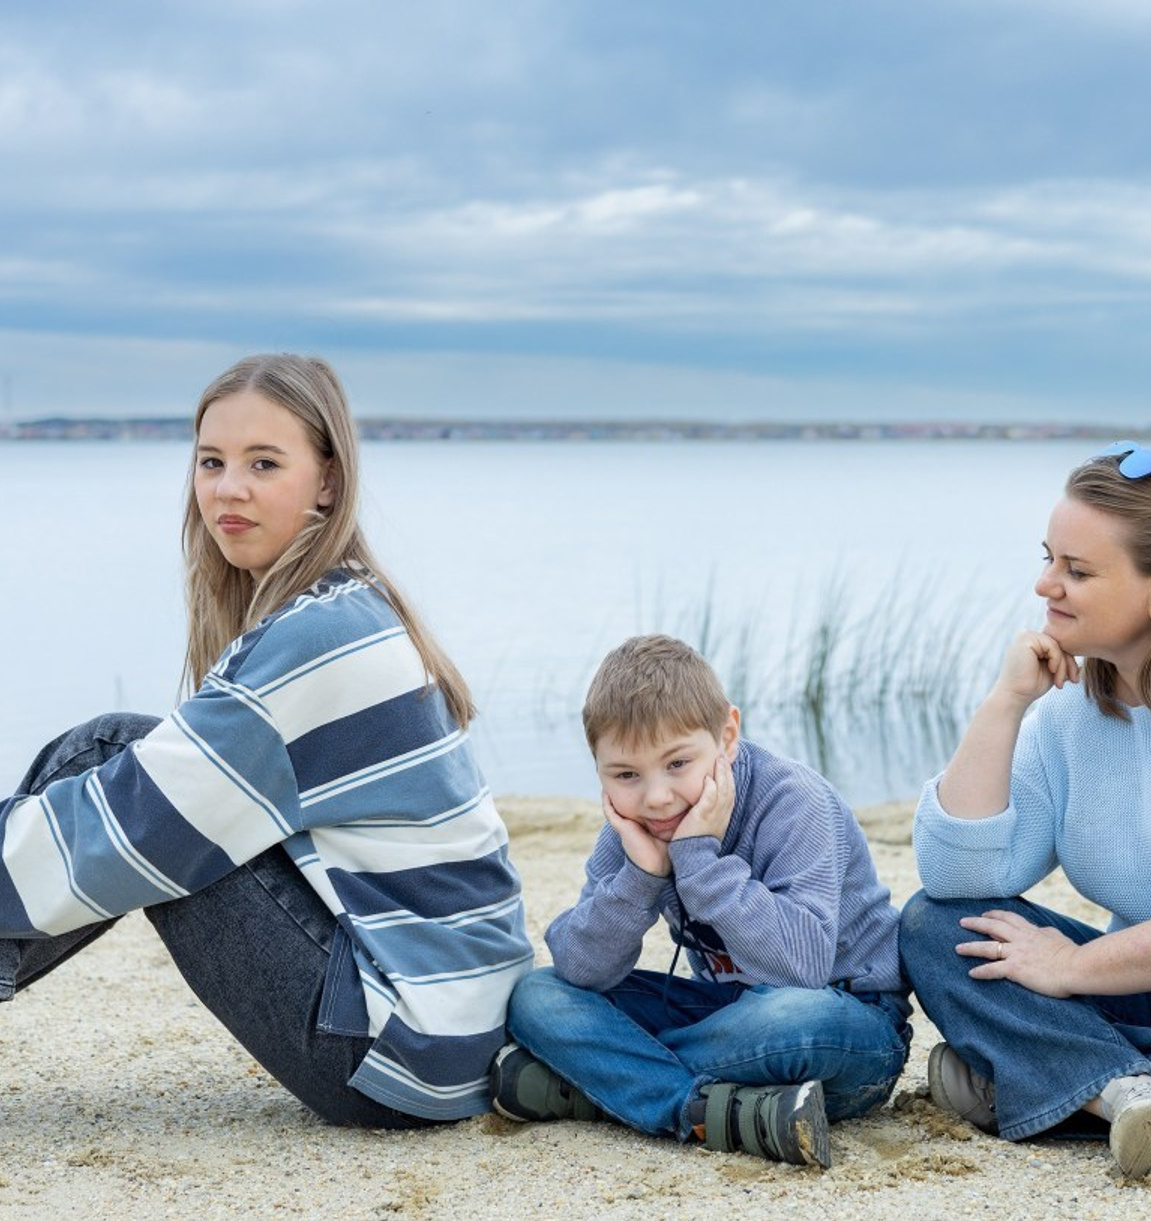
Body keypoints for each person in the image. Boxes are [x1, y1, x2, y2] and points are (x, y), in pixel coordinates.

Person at [0, 353, 531, 1125]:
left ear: (326, 481)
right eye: (211, 462)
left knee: (111, 760)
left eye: (263, 463)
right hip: (456, 1037)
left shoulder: (321, 637)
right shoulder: (348, 606)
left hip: (403, 1053)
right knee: (128, 783)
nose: (228, 489)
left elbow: (132, 828)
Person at [899, 441, 1151, 1179]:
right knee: (935, 926)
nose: (1046, 585)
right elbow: (959, 875)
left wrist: (1073, 968)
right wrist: (1005, 703)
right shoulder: (1069, 710)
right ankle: (1132, 1097)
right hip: (1145, 992)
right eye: (1049, 559)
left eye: (1077, 571)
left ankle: (1063, 1082)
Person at [490, 635, 909, 1169]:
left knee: (787, 1016)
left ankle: (607, 1079)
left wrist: (700, 862)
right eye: (625, 775)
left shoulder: (794, 801)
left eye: (678, 764)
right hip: (728, 1018)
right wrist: (643, 875)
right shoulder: (633, 829)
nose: (656, 796)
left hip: (844, 1027)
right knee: (538, 996)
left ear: (727, 736)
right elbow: (581, 969)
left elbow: (800, 969)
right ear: (598, 767)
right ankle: (695, 1106)